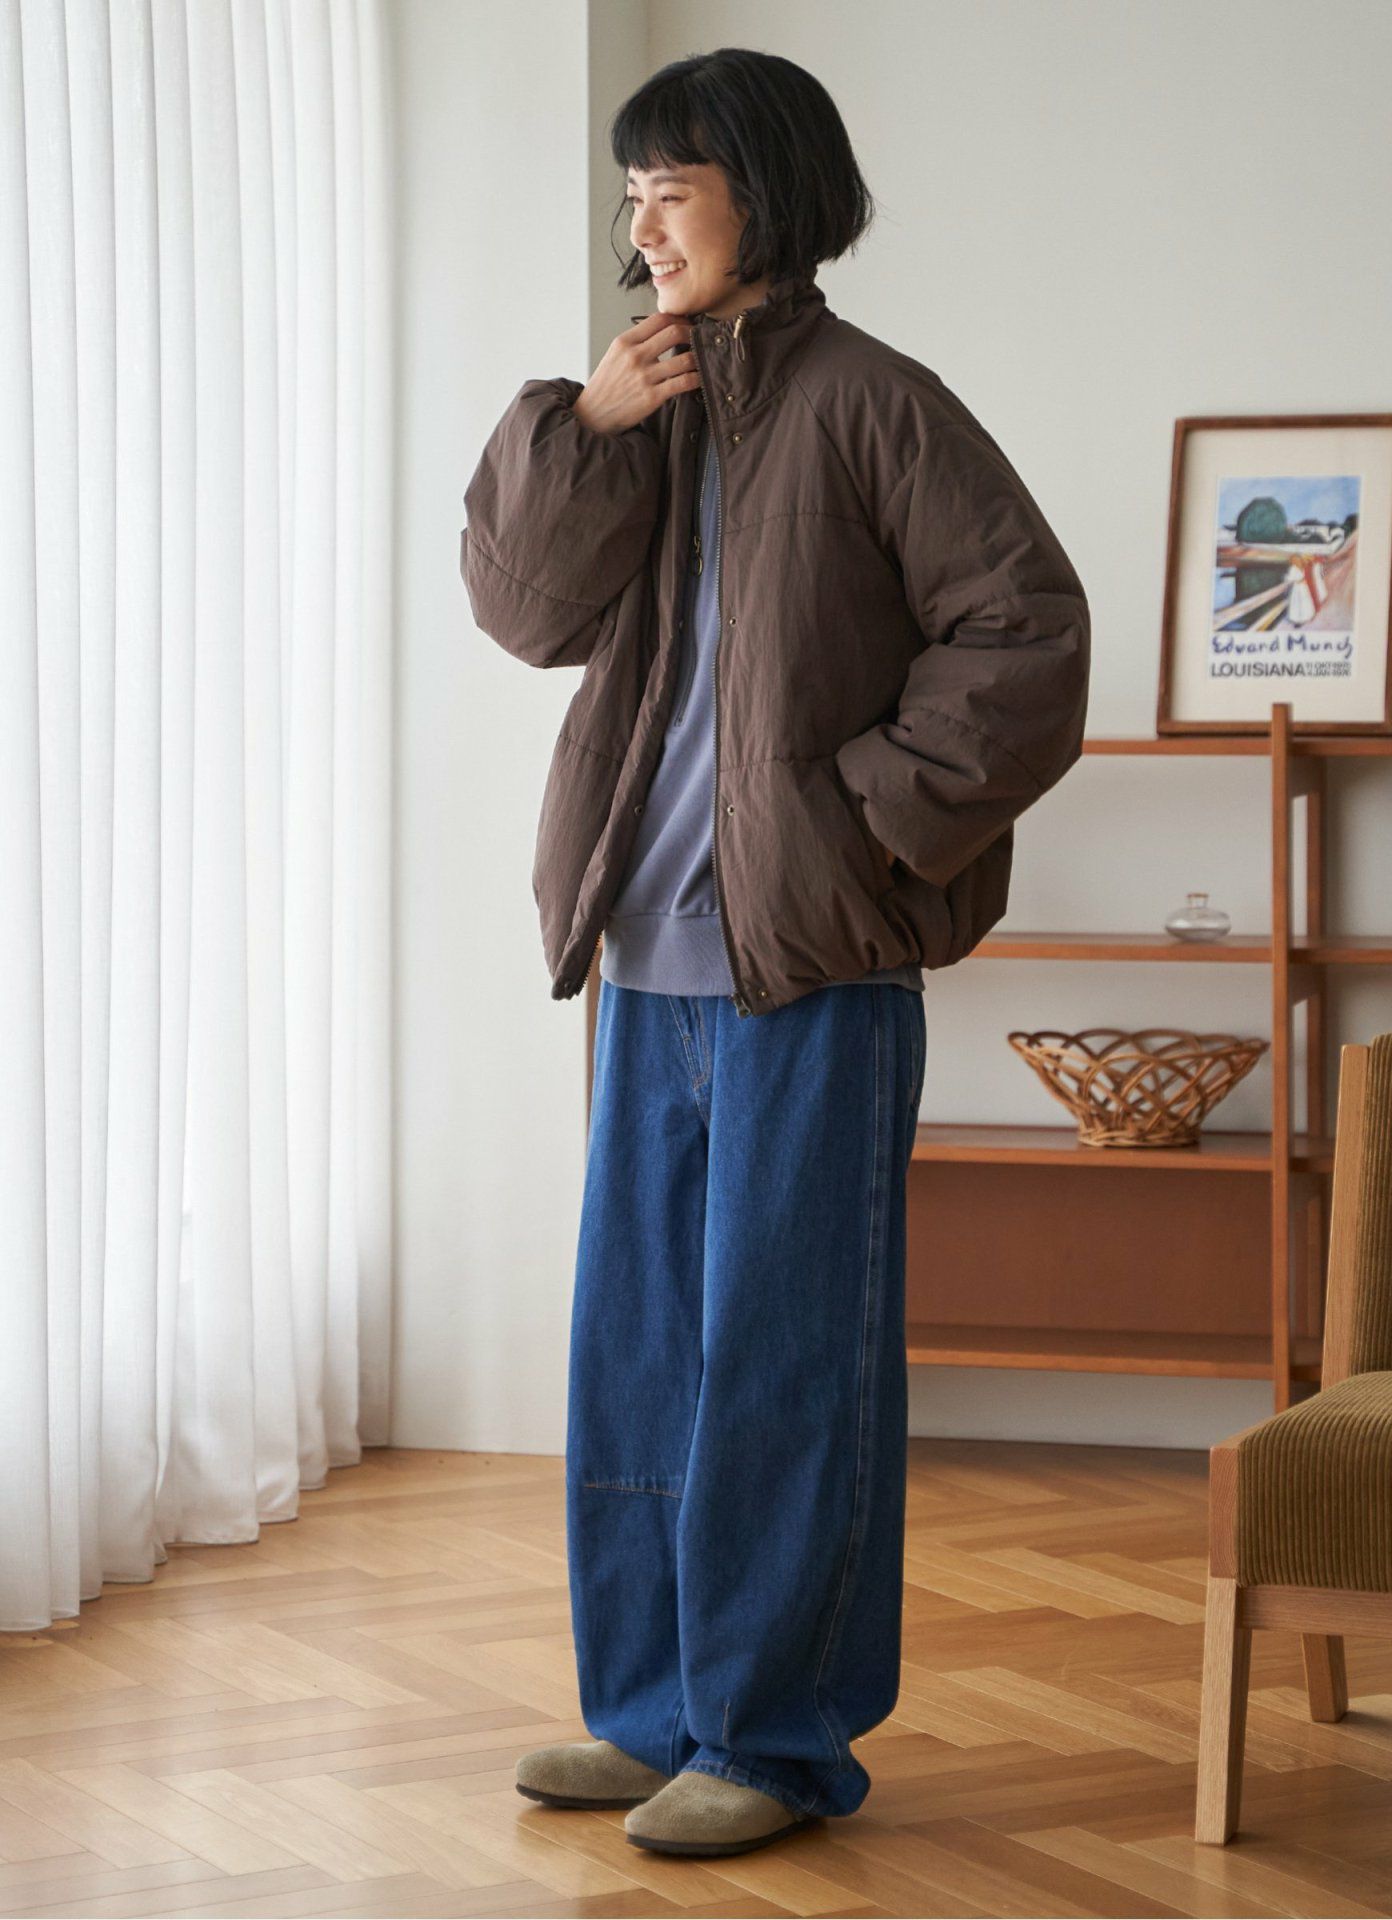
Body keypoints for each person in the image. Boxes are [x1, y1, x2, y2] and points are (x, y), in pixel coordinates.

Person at [460, 47, 1090, 1860]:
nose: (644, 224)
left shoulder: (879, 403)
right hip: (645, 957)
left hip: (809, 968)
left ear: (766, 189)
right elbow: (523, 614)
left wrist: (863, 816)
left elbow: (1028, 633)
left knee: (783, 1361)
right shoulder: (638, 404)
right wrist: (585, 428)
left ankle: (776, 1737)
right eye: (632, 193)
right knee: (642, 1358)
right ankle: (655, 1714)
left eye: (673, 186)